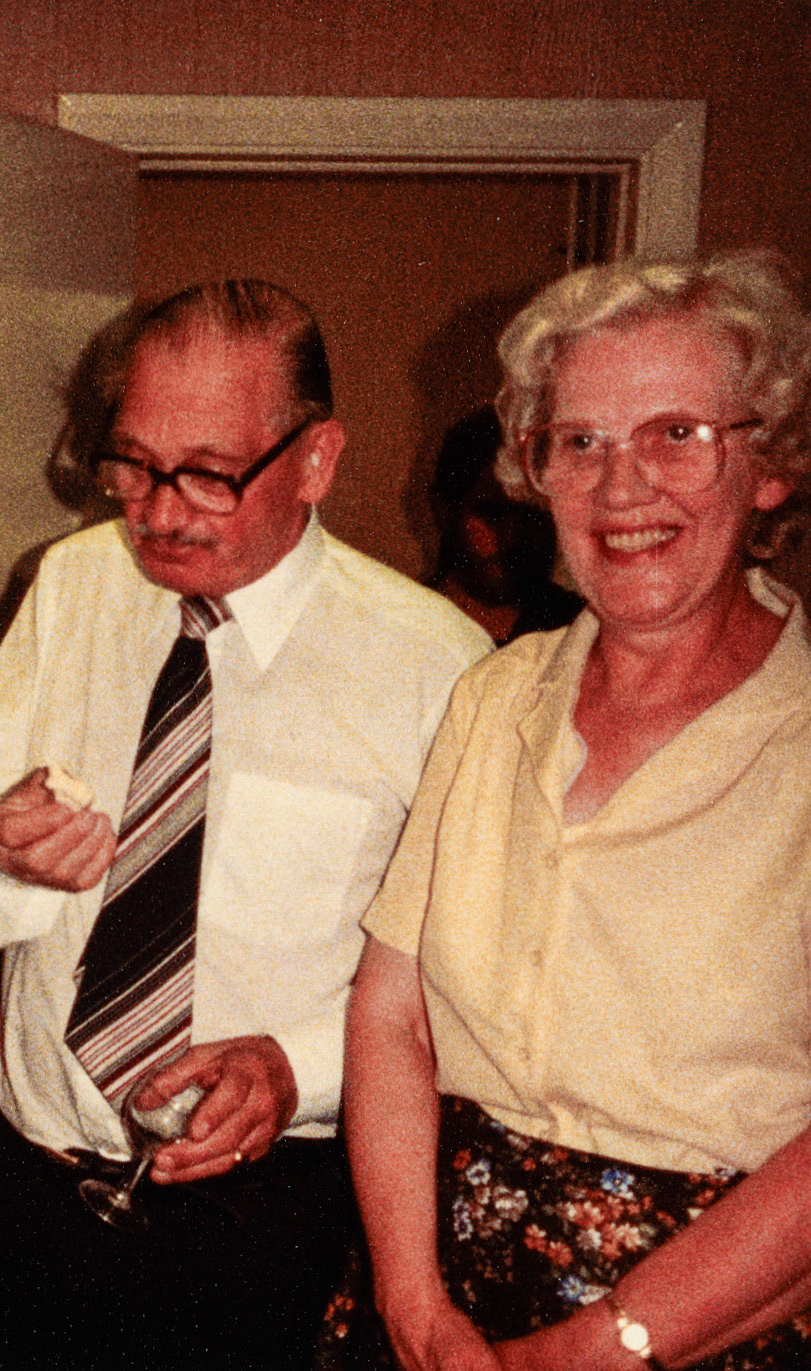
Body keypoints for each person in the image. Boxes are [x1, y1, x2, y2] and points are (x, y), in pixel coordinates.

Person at [0, 280, 490, 1369]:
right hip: (27, 1195)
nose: (160, 510)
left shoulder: (439, 669)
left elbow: (459, 982)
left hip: (266, 1226)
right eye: (131, 465)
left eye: (208, 474)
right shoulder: (72, 584)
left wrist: (300, 1069)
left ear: (316, 461)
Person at [342, 250, 811, 1370]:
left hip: (704, 1323)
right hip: (429, 1303)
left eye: (677, 434)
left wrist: (612, 1341)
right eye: (580, 442)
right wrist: (413, 1307)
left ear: (773, 465)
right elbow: (390, 1017)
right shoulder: (495, 692)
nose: (623, 485)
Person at [426, 405, 583, 645]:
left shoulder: (585, 632)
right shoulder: (412, 626)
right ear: (445, 510)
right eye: (491, 513)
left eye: (530, 512)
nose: (512, 536)